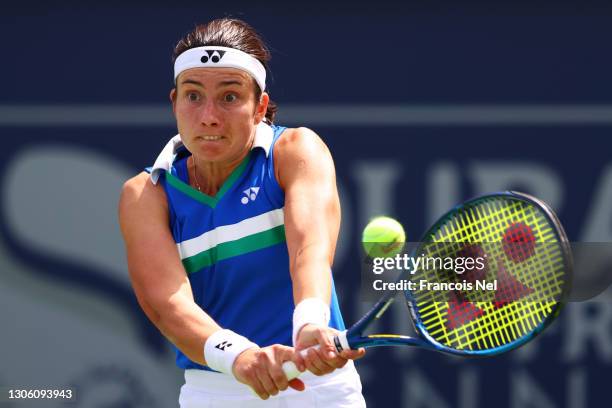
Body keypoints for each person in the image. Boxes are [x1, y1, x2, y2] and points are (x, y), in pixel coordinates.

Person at [118, 18, 366, 407]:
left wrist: (309, 323)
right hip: (215, 391)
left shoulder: (296, 151)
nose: (209, 116)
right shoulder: (146, 195)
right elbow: (167, 305)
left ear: (260, 106)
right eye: (193, 95)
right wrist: (241, 357)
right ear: (175, 102)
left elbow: (309, 251)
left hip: (321, 391)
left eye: (230, 97)